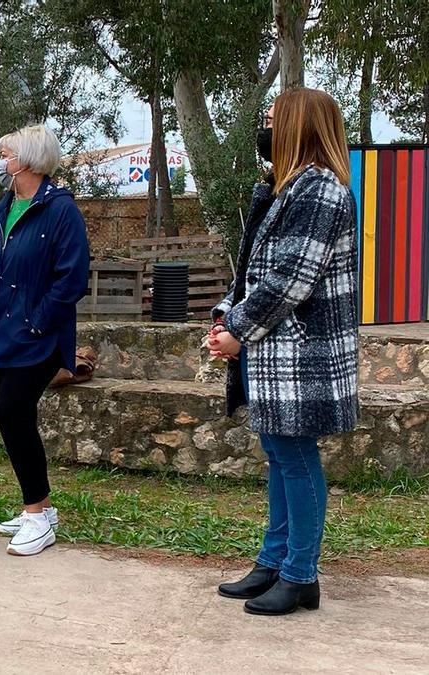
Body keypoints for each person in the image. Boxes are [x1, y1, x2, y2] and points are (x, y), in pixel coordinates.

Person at [208, 87, 358, 616]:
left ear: (298, 127)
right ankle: (273, 563)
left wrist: (239, 330)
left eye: (272, 120)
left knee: (294, 457)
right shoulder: (278, 187)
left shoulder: (319, 191)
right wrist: (224, 318)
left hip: (301, 351)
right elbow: (251, 268)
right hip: (275, 349)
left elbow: (292, 279)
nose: (264, 128)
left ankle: (301, 575)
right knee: (278, 457)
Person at [0, 124, 90, 556]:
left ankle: (37, 518)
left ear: (29, 160)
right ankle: (41, 507)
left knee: (12, 412)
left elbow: (72, 277)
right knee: (15, 416)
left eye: (6, 153)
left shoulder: (60, 210)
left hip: (37, 338)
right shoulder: (2, 208)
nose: (0, 160)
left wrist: (39, 322)